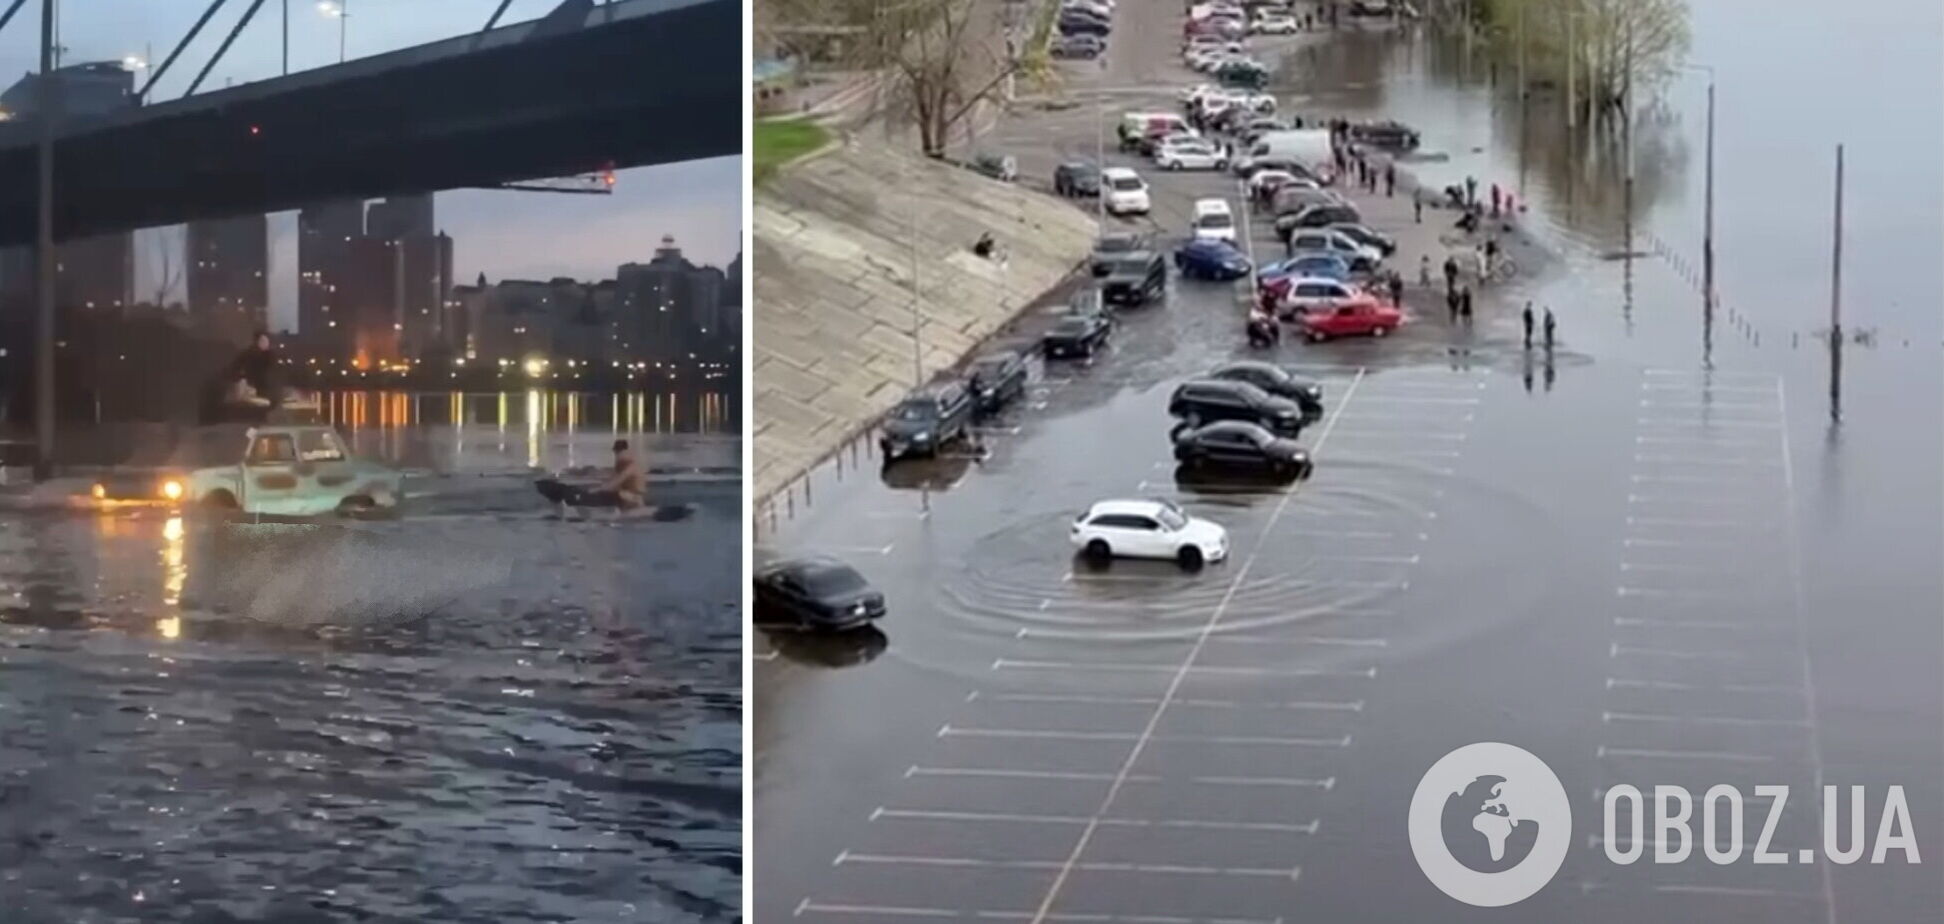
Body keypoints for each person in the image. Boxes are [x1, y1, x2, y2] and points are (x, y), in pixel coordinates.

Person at [538, 440, 645, 511]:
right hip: (620, 499)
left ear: (627, 451)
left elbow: (614, 483)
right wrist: (583, 472)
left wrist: (595, 490)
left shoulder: (631, 467)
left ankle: (574, 498)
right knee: (587, 491)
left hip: (633, 500)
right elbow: (609, 476)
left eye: (619, 453)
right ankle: (564, 495)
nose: (617, 456)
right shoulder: (620, 465)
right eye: (616, 453)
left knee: (590, 494)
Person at [223, 331, 281, 407]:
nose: (266, 343)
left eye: (267, 341)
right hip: (251, 389)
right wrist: (241, 379)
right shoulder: (248, 354)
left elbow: (273, 373)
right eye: (263, 341)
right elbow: (236, 368)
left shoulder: (270, 356)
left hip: (264, 390)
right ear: (257, 342)